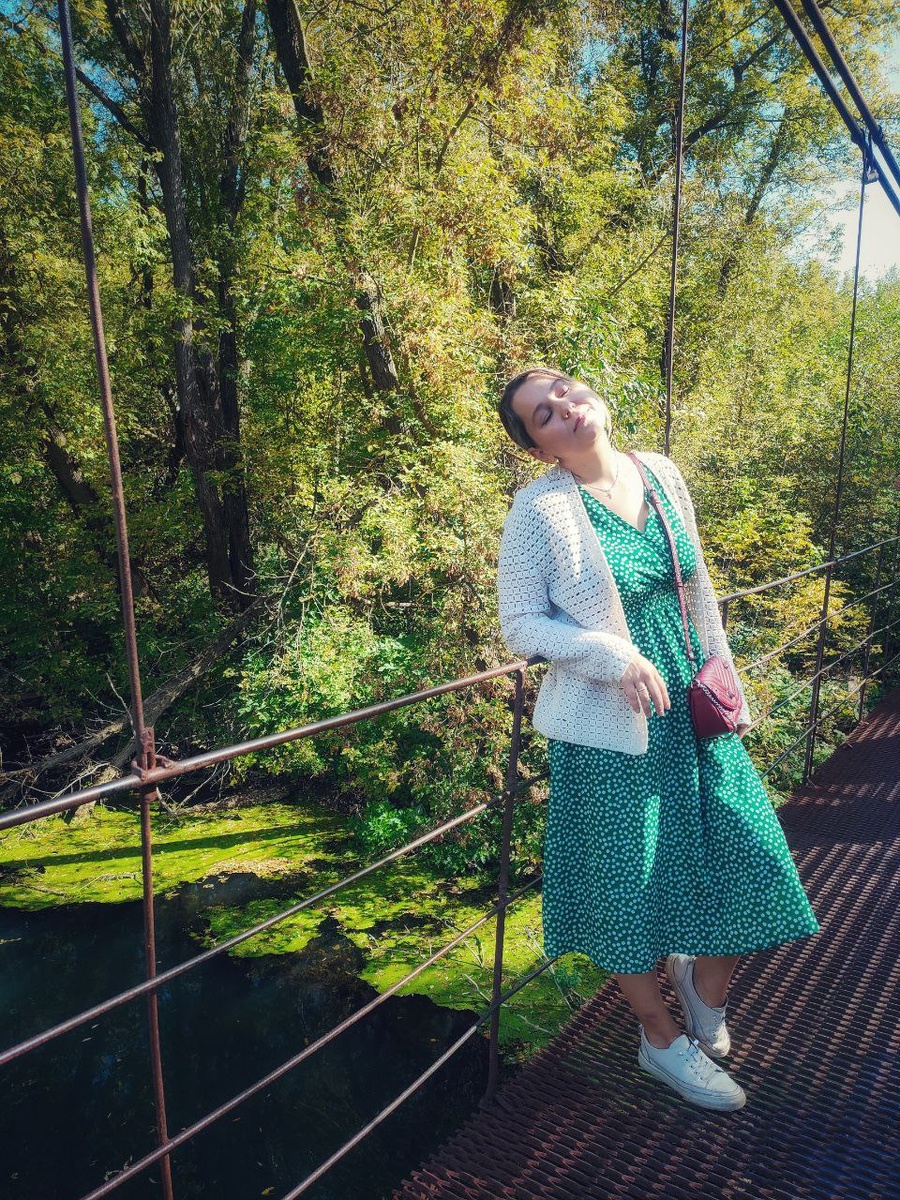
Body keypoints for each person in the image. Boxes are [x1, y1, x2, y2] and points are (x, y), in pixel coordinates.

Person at [496, 367, 819, 1112]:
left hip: (693, 709)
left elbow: (699, 594)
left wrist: (729, 689)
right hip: (607, 725)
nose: (565, 409)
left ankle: (703, 989)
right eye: (543, 415)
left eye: (565, 391)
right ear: (539, 448)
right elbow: (520, 624)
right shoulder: (540, 508)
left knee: (751, 856)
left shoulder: (661, 473)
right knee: (622, 886)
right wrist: (613, 656)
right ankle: (659, 1038)